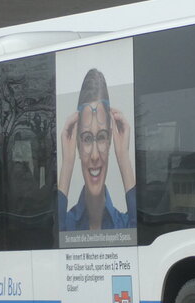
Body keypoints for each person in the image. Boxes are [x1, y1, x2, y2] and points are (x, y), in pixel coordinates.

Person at [58, 68, 136, 231]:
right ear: (77, 145)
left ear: (109, 142)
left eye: (101, 137)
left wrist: (123, 157)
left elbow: (141, 237)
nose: (94, 156)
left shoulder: (124, 225)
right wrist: (66, 165)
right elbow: (52, 241)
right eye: (86, 138)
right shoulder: (66, 224)